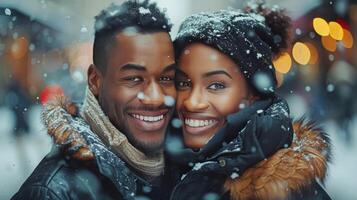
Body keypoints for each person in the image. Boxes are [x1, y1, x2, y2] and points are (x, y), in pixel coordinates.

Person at [11, 1, 176, 199]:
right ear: (95, 81)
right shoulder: (53, 192)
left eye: (167, 78)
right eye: (133, 78)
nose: (155, 98)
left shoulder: (183, 170)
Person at [167, 4, 332, 200]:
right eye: (184, 83)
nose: (192, 103)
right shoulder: (160, 167)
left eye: (217, 85)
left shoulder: (286, 191)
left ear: (254, 94)